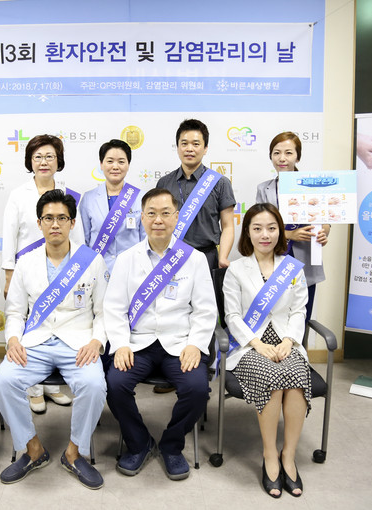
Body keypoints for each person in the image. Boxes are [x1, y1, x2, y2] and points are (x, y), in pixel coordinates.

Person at [0, 190, 108, 490]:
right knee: (2, 381)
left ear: (72, 223)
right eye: (48, 218)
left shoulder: (92, 260)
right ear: (39, 223)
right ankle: (33, 450)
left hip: (79, 343)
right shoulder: (26, 262)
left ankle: (74, 453)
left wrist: (96, 342)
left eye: (61, 218)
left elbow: (103, 312)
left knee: (94, 385)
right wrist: (13, 339)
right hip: (36, 342)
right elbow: (15, 311)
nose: (55, 224)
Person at [104, 188, 217, 481]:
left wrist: (195, 344)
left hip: (179, 344)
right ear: (142, 218)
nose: (158, 220)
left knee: (197, 389)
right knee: (115, 383)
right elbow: (114, 308)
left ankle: (171, 445)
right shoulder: (127, 259)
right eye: (151, 213)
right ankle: (139, 443)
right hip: (138, 343)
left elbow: (205, 310)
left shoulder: (194, 259)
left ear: (176, 217)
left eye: (165, 213)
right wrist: (120, 344)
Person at [223, 203, 310, 498]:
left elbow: (299, 311)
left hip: (286, 341)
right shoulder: (236, 270)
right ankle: (270, 454)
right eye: (258, 228)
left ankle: (289, 456)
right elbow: (232, 316)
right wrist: (257, 344)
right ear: (248, 232)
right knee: (271, 375)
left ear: (280, 232)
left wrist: (289, 341)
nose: (265, 235)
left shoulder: (292, 268)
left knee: (296, 376)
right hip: (250, 344)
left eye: (272, 228)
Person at [0, 134, 81, 412]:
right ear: (30, 161)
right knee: (30, 326)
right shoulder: (18, 195)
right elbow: (9, 236)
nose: (44, 162)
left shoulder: (69, 194)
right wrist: (9, 275)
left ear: (59, 161)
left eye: (49, 156)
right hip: (28, 271)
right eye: (38, 157)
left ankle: (53, 388)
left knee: (55, 325)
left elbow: (77, 235)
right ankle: (33, 389)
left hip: (62, 269)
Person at [256, 131, 329, 320]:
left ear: (298, 157)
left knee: (301, 318)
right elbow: (259, 225)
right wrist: (289, 234)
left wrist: (323, 232)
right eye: (276, 153)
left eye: (288, 153)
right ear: (271, 156)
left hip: (306, 260)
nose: (282, 158)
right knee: (274, 317)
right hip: (273, 259)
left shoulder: (313, 185)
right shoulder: (264, 189)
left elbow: (324, 221)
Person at [156, 118, 235, 271]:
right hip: (171, 257)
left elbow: (228, 226)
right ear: (177, 147)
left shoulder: (220, 183)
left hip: (207, 257)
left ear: (205, 148)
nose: (189, 149)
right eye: (184, 143)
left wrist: (223, 257)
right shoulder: (164, 183)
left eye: (196, 144)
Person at [79, 139, 145, 273]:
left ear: (128, 165)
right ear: (101, 164)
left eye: (121, 162)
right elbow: (83, 240)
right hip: (98, 271)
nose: (115, 166)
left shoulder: (141, 198)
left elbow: (146, 239)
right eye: (110, 161)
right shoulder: (88, 198)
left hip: (132, 270)